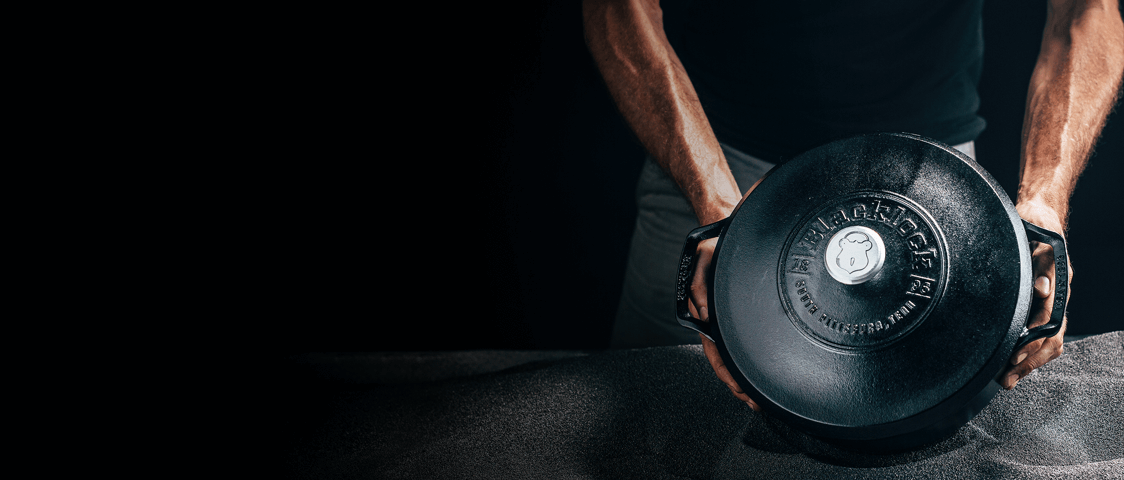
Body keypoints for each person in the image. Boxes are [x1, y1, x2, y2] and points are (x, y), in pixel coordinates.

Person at [583, 0, 1124, 410]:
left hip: (937, 186)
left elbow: (1087, 10)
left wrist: (1044, 204)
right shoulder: (715, 193)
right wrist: (716, 204)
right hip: (717, 168)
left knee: (928, 416)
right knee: (659, 412)